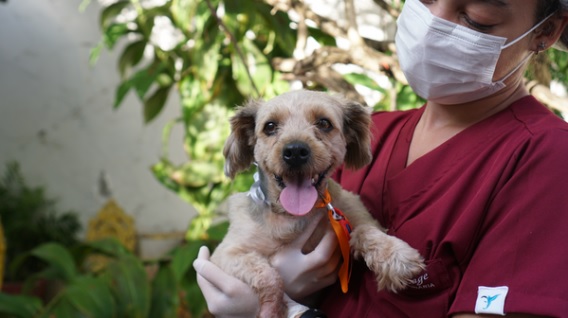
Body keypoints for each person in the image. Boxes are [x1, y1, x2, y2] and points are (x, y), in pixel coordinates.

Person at [193, 0, 568, 316]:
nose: (434, 24)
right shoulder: (370, 137)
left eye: (475, 16)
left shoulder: (545, 157)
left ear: (546, 31)